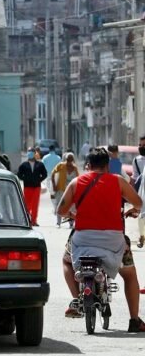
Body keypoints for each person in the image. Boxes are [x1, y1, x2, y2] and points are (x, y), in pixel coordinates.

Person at [57, 147, 145, 332]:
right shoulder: (118, 181)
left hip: (83, 238)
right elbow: (138, 203)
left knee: (66, 261)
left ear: (88, 165)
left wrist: (74, 214)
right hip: (114, 240)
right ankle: (134, 320)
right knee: (129, 275)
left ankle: (77, 298)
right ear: (107, 165)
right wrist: (132, 210)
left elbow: (61, 211)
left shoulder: (76, 182)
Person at [17, 148, 47, 227]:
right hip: (27, 187)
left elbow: (45, 174)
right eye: (29, 152)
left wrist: (39, 180)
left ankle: (34, 221)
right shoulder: (24, 165)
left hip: (36, 187)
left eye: (31, 152)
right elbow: (19, 174)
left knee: (35, 205)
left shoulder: (40, 164)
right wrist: (25, 179)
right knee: (27, 205)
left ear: (35, 154)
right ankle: (27, 220)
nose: (30, 154)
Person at [50, 153, 78, 227]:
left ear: (73, 160)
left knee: (71, 206)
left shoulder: (75, 168)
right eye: (68, 159)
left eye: (70, 160)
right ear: (65, 159)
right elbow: (52, 174)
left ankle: (71, 223)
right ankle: (58, 222)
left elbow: (78, 179)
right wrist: (54, 185)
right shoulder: (61, 166)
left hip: (71, 190)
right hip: (61, 189)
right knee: (60, 204)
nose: (69, 161)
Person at [133, 136, 145, 248]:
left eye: (144, 146)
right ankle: (142, 236)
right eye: (140, 145)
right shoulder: (137, 160)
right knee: (142, 216)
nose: (141, 147)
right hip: (142, 192)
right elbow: (135, 177)